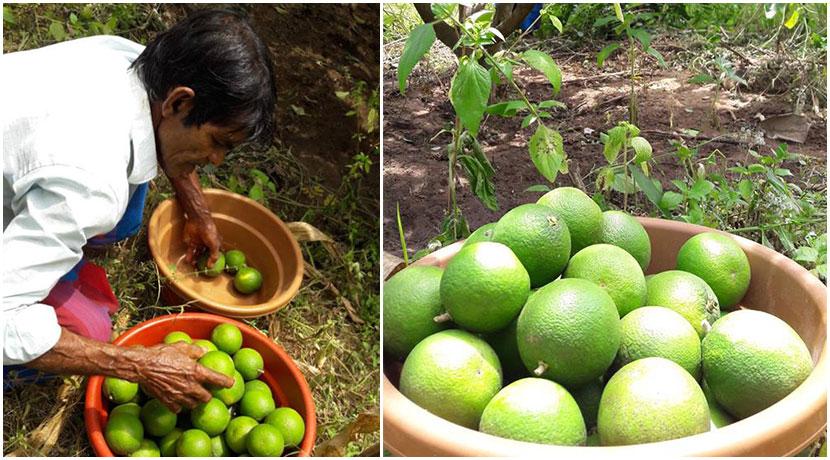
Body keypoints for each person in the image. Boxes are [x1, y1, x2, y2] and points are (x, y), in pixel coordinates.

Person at [3, 9, 276, 412]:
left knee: (127, 216)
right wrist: (138, 365)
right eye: (217, 142)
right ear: (180, 102)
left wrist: (197, 210)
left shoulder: (128, 59)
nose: (216, 160)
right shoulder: (90, 182)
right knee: (90, 328)